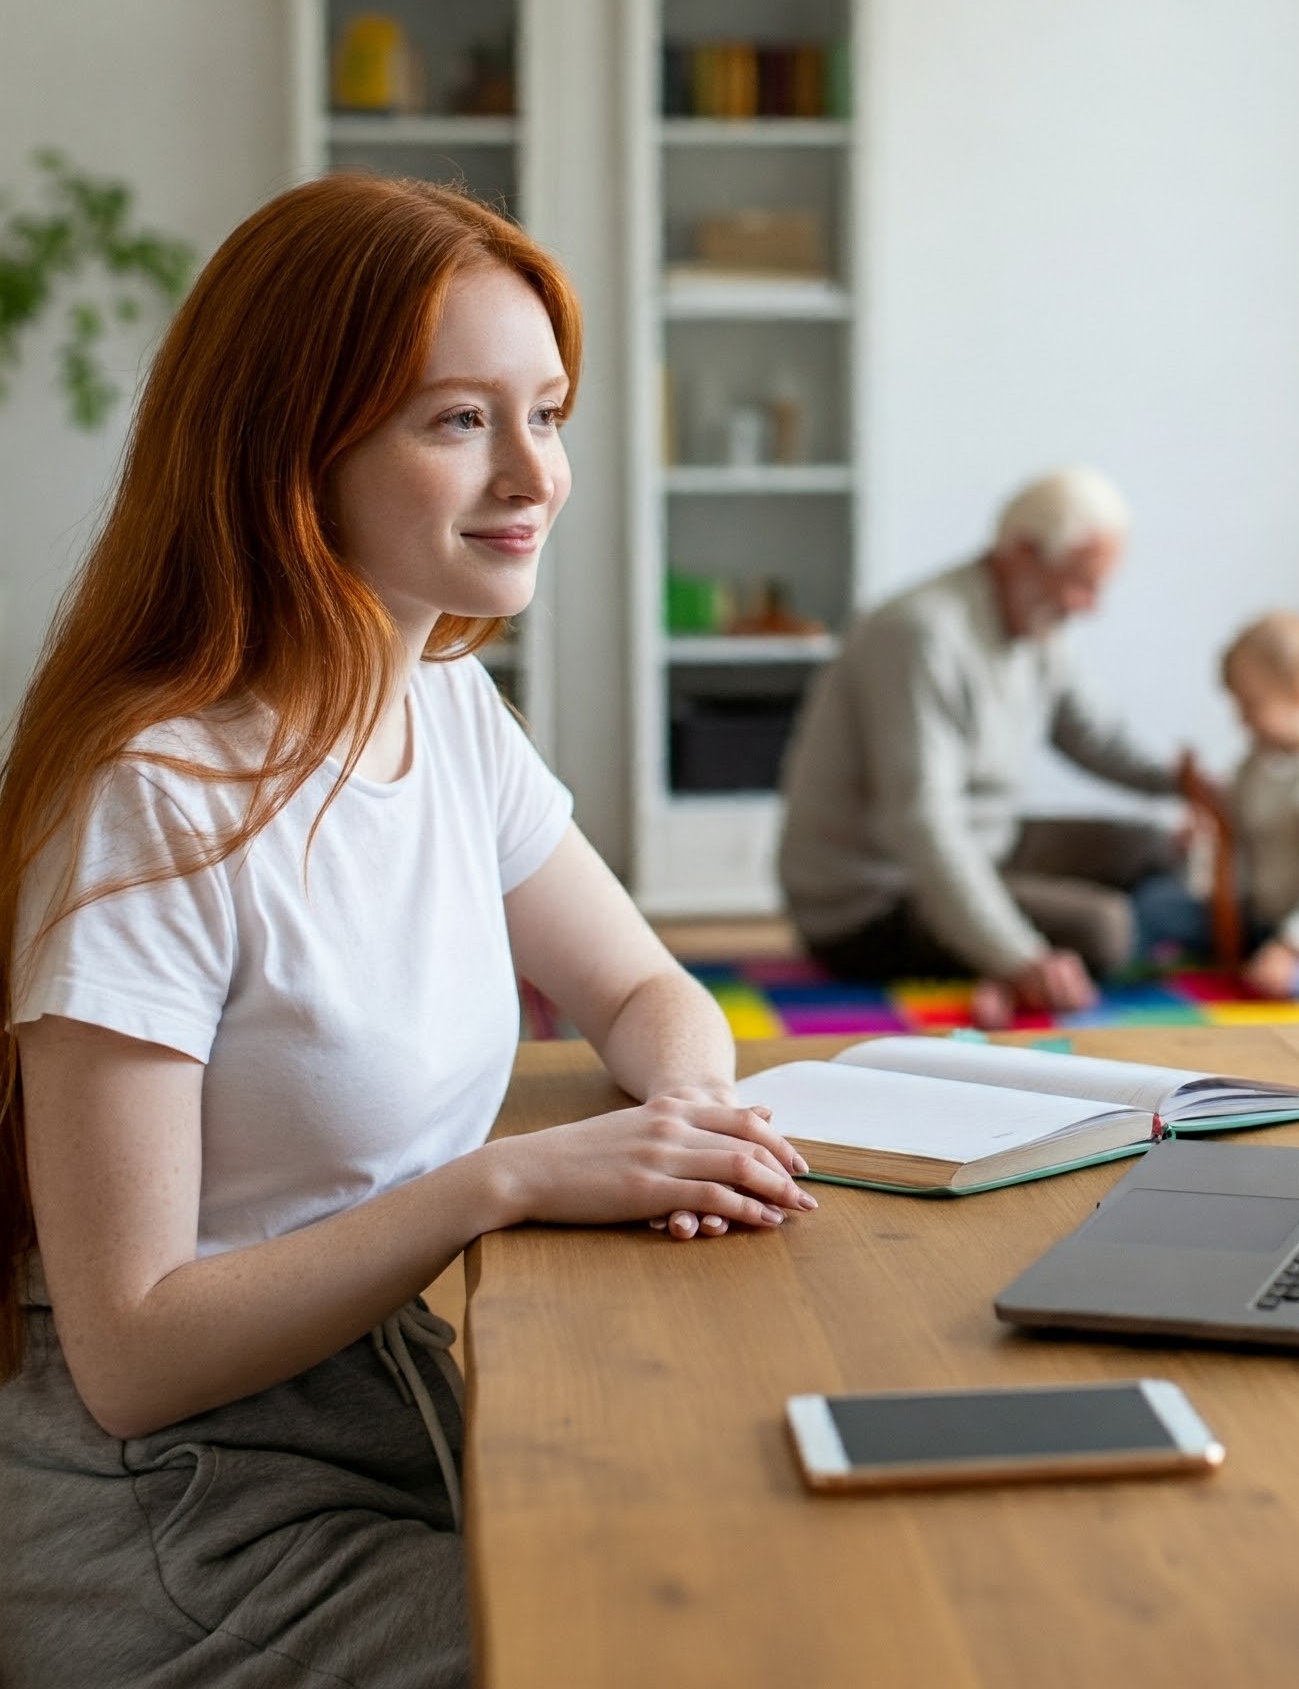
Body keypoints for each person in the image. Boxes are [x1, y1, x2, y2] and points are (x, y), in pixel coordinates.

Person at [0, 175, 815, 1689]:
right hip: (187, 1515)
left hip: (403, 1408)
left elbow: (639, 981)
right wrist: (499, 1182)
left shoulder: (445, 708)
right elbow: (129, 1355)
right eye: (458, 422)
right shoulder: (152, 798)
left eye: (550, 415)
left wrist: (688, 1111)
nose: (533, 475)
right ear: (288, 452)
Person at [776, 467, 1206, 1017]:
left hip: (984, 846)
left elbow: (1090, 735)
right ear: (1022, 553)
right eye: (1081, 581)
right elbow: (923, 824)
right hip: (876, 898)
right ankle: (1036, 955)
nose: (1089, 606)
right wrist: (1019, 957)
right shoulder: (919, 634)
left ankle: (1019, 947)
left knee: (1157, 847)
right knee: (1105, 927)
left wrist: (1186, 784)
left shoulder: (1038, 624)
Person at [1147, 612, 1299, 999]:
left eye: (1252, 704)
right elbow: (1235, 824)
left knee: (1283, 982)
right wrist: (1200, 829)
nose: (1240, 719)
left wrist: (1292, 947)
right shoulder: (1258, 760)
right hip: (1261, 917)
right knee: (1156, 907)